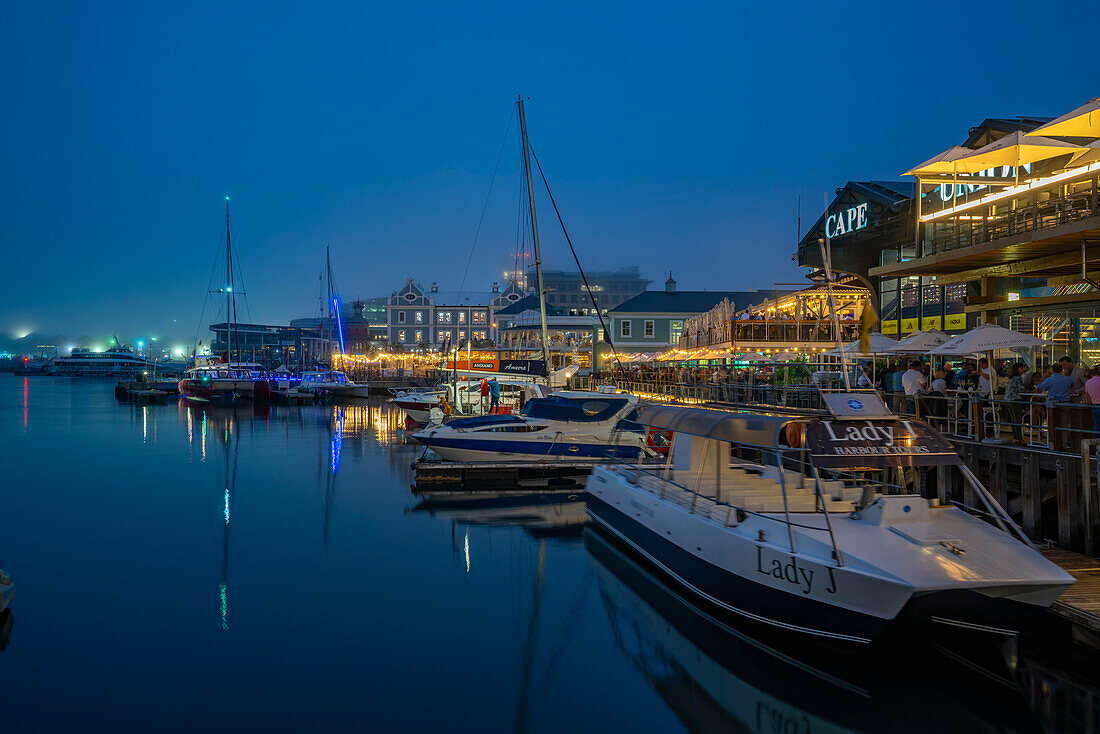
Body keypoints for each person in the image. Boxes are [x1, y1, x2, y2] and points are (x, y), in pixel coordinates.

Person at [1003, 362, 1028, 445]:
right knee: (1017, 420)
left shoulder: (1011, 378)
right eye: (1022, 368)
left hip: (1007, 400)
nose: (1023, 369)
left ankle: (1016, 438)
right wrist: (1029, 391)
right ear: (1018, 369)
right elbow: (1021, 390)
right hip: (1015, 400)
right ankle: (1020, 438)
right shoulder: (1018, 378)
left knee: (1013, 420)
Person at [1085, 366, 1100, 433]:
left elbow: (1087, 396)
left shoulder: (1088, 382)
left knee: (1097, 426)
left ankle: (1095, 442)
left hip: (1094, 406)